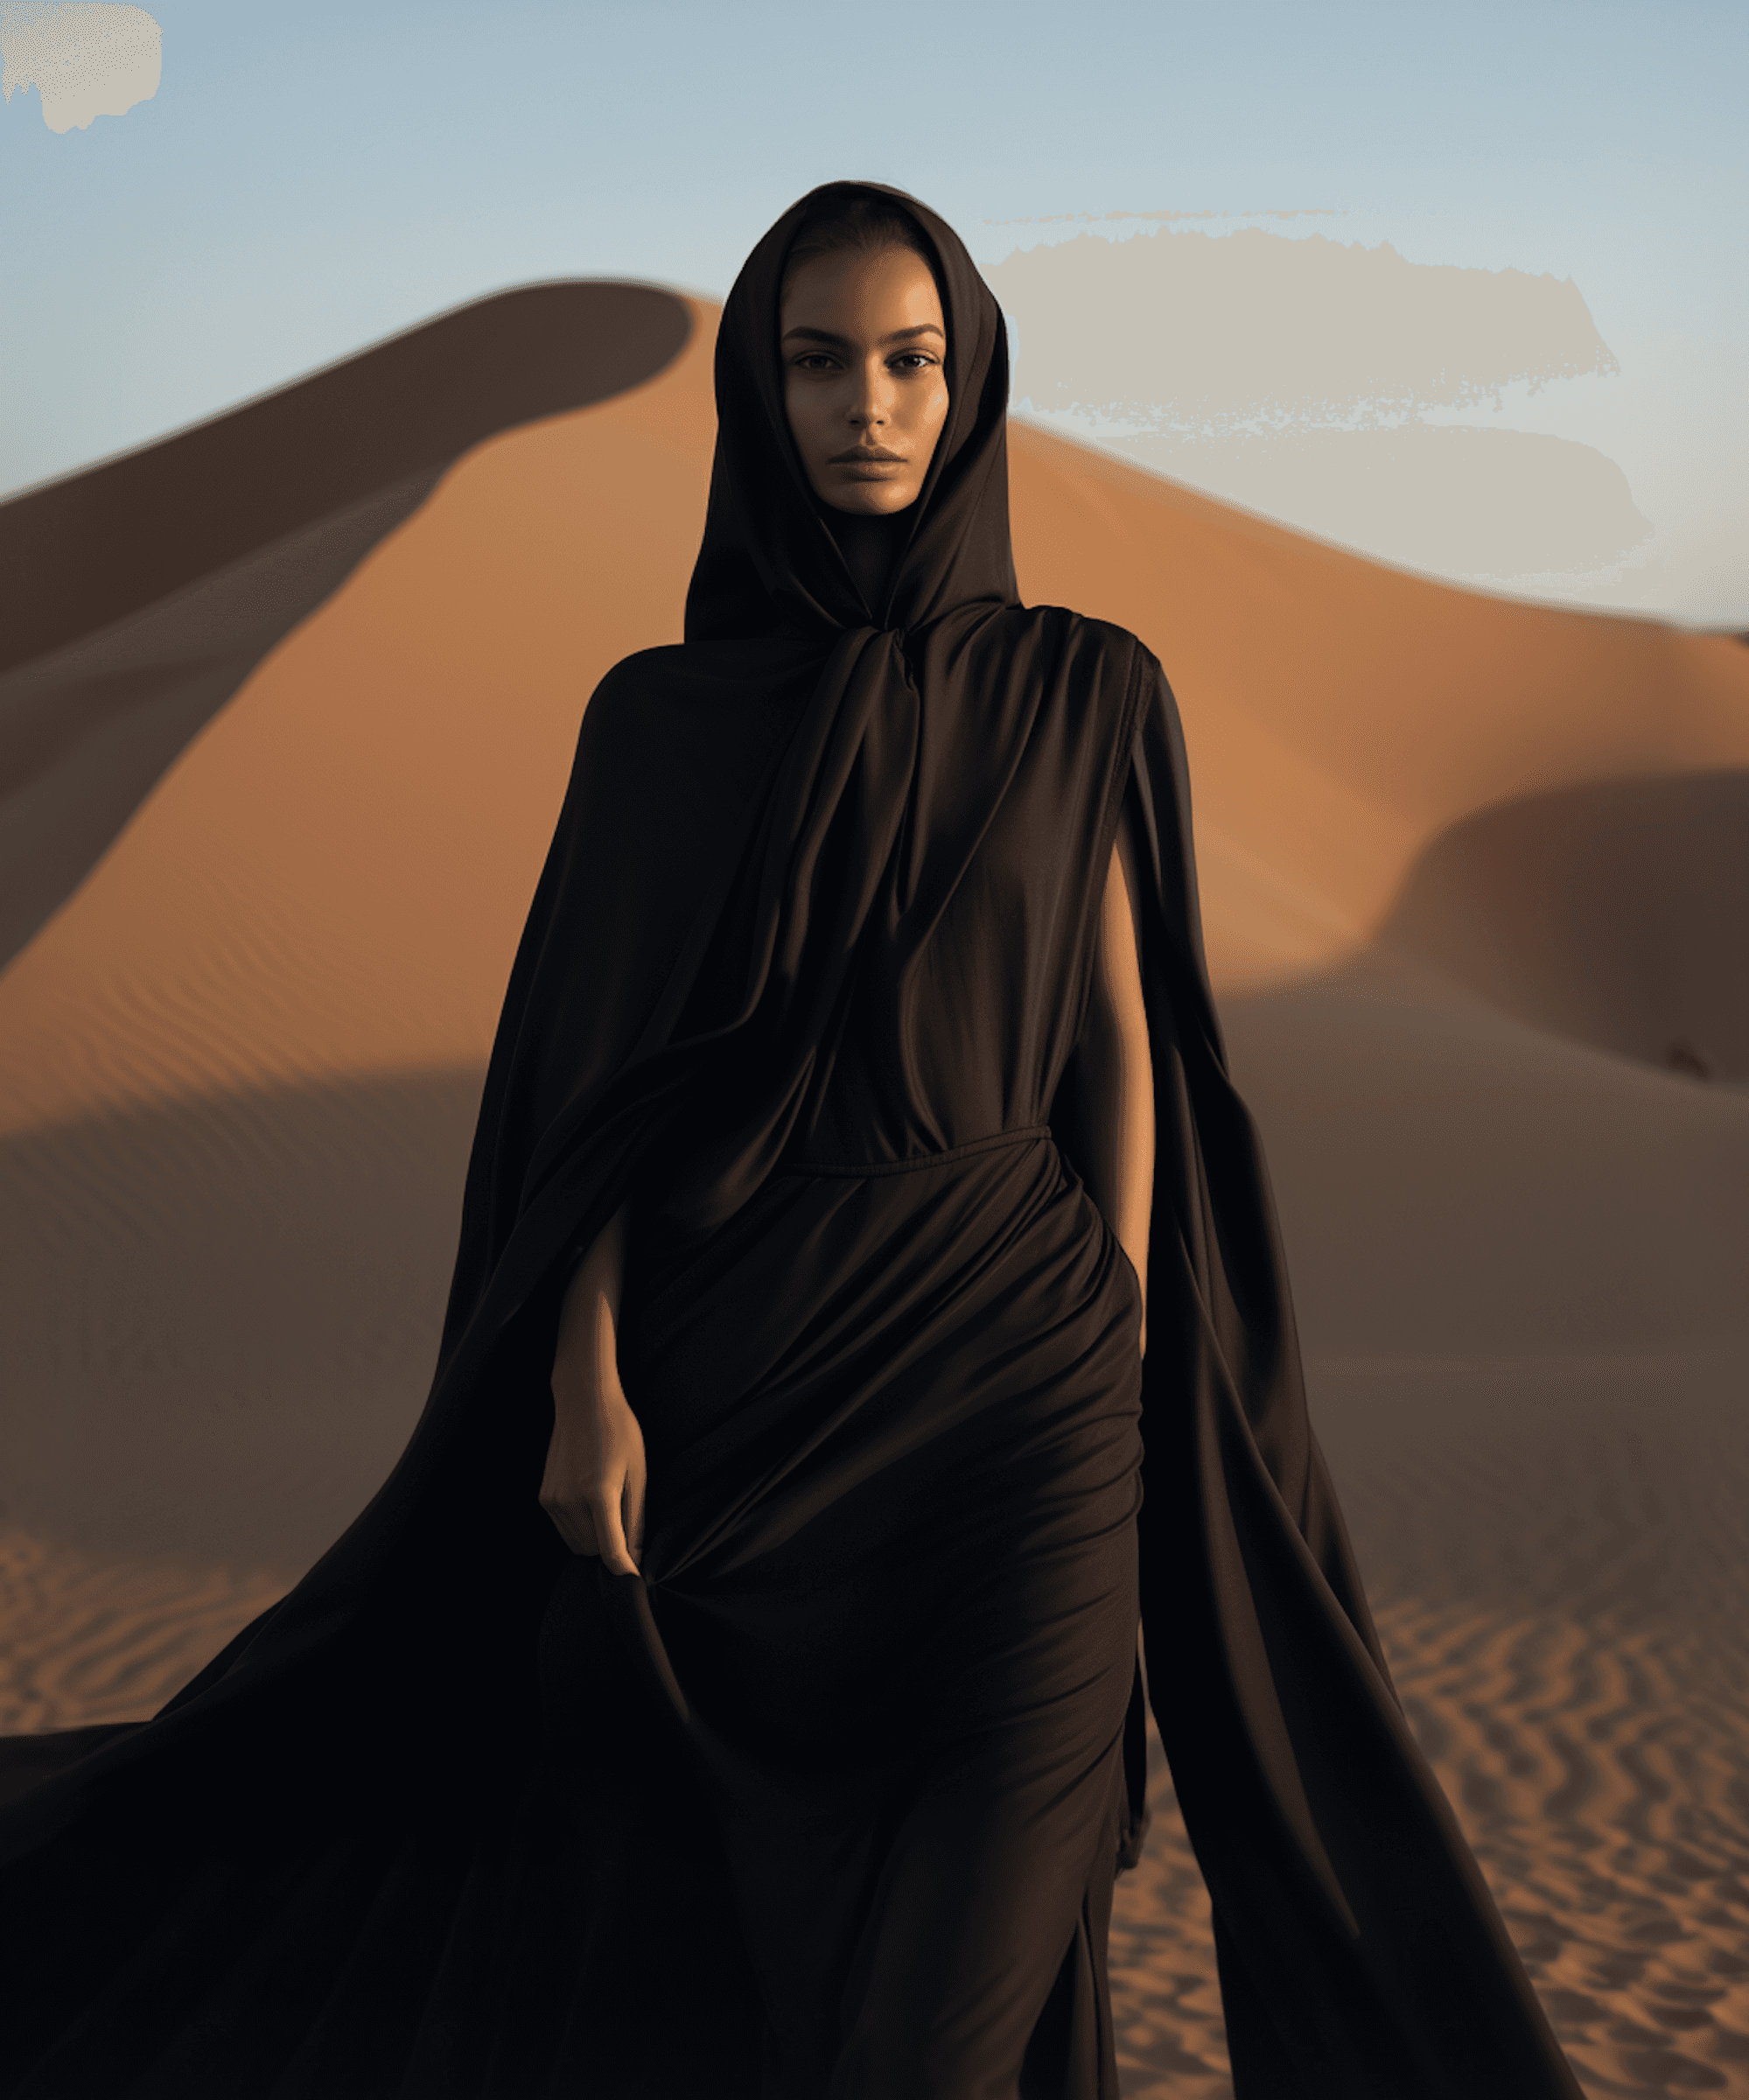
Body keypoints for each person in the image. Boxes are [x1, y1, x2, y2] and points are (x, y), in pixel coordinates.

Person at [0, 182, 1582, 2100]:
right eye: (817, 362)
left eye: (913, 361)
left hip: (1025, 1411)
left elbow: (1117, 1047)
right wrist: (583, 1395)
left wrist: (1120, 1326)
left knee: (941, 2015)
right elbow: (595, 1108)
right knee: (726, 1996)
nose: (869, 406)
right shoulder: (656, 725)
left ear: (972, 381)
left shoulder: (1084, 690)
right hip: (731, 1424)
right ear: (759, 392)